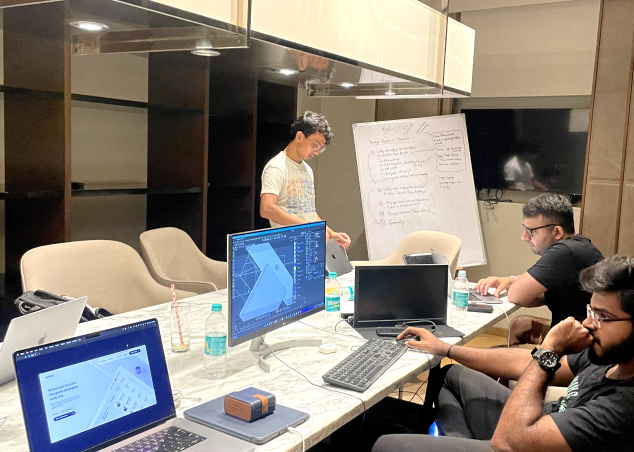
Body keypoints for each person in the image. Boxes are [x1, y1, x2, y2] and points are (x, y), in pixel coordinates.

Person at [372, 255, 634, 452]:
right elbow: (527, 363)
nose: (588, 323)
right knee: (450, 375)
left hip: (522, 439)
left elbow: (507, 442)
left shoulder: (624, 405)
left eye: (603, 317)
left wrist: (550, 349)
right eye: (591, 311)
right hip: (536, 422)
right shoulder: (610, 356)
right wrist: (446, 348)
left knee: (386, 445)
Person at [476, 193, 603, 328]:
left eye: (532, 231)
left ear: (557, 232)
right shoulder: (579, 246)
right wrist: (510, 280)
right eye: (525, 229)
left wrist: (513, 285)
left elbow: (516, 295)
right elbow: (542, 295)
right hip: (574, 334)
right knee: (519, 326)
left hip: (578, 340)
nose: (524, 237)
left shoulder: (564, 252)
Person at [260, 111, 351, 248]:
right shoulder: (277, 167)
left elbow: (308, 211)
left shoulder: (307, 170)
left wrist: (330, 233)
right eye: (315, 145)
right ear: (299, 136)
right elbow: (266, 208)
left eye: (320, 148)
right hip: (286, 246)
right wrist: (307, 227)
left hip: (307, 245)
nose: (317, 152)